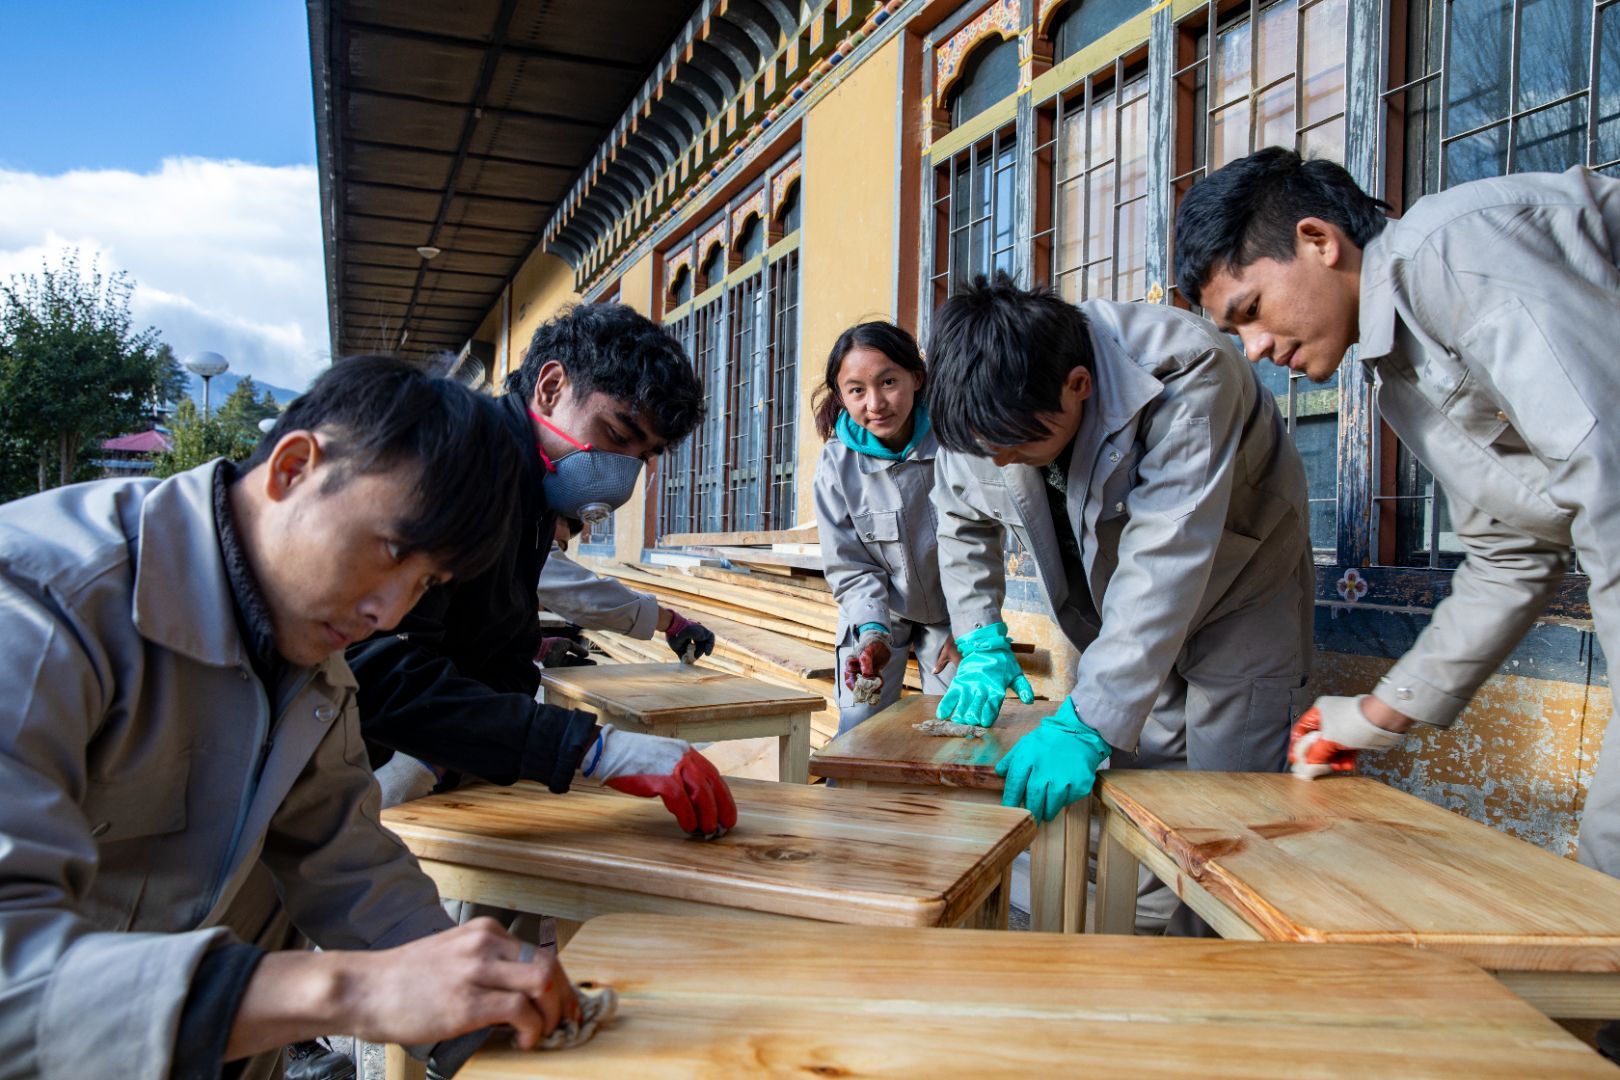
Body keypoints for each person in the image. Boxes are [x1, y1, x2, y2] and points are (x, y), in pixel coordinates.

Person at [0, 356, 578, 1080]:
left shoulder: (307, 664)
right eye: (391, 551)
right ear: (293, 468)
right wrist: (342, 991)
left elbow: (344, 859)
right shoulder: (37, 607)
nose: (390, 613)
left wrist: (494, 1020)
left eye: (424, 583)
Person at [1174, 151, 1620, 894]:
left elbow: (1608, 472)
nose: (1254, 351)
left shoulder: (1453, 251)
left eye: (1250, 312)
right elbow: (1510, 558)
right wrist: (1377, 713)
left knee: (1608, 879)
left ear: (1319, 241)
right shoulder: (1400, 375)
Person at [926, 275, 1314, 930]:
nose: (1003, 461)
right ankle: (1145, 956)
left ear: (1078, 385)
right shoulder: (977, 403)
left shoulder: (1187, 369)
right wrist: (980, 639)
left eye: (1017, 447)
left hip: (1243, 592)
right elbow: (960, 519)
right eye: (990, 450)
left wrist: (1090, 719)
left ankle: (1208, 988)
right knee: (1142, 794)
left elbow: (1167, 553)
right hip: (1122, 611)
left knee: (1224, 819)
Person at [348, 303, 737, 838]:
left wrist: (466, 750)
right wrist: (590, 748)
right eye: (617, 434)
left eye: (644, 455)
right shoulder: (457, 463)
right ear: (550, 387)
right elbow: (370, 663)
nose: (624, 471)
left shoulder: (531, 494)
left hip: (439, 751)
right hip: (350, 761)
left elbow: (503, 647)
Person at [811, 321, 959, 734]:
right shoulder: (835, 466)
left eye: (888, 381)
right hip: (879, 613)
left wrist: (972, 627)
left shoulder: (956, 444)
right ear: (841, 396)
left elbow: (983, 541)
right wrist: (872, 638)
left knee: (955, 728)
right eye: (857, 390)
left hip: (954, 611)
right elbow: (851, 567)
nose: (875, 403)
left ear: (917, 377)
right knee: (860, 728)